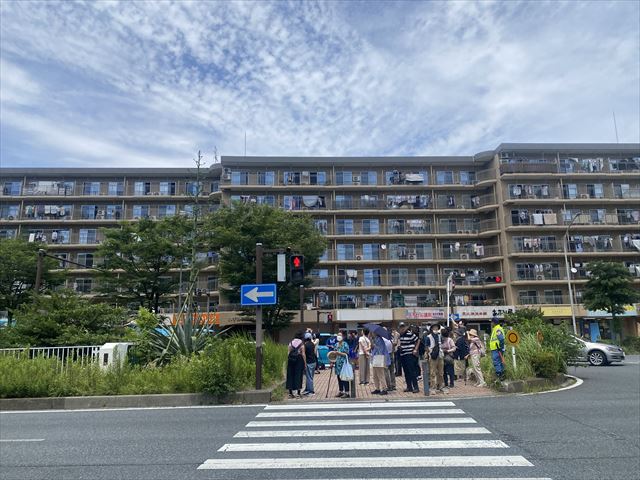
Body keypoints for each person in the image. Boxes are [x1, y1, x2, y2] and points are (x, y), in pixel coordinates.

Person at [398, 323, 420, 393]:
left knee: (412, 371)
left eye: (403, 327)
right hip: (403, 354)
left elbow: (418, 340)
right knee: (406, 371)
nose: (402, 329)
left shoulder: (409, 333)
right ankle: (409, 386)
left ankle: (416, 387)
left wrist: (415, 349)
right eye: (401, 327)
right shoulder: (400, 335)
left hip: (409, 354)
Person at [286, 332, 306, 398]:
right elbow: (303, 354)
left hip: (291, 360)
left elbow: (288, 353)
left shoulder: (291, 343)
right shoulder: (301, 343)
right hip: (299, 360)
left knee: (290, 375)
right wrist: (305, 363)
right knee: (298, 375)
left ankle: (290, 393)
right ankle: (298, 393)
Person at [426, 323, 445, 393]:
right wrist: (429, 354)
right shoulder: (428, 337)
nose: (436, 329)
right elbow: (427, 346)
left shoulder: (440, 336)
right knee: (432, 373)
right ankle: (433, 387)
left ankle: (440, 386)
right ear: (431, 329)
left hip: (440, 355)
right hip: (433, 356)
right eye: (434, 328)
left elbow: (442, 344)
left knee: (441, 372)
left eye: (437, 328)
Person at [333, 331, 351, 398]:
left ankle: (347, 392)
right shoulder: (336, 344)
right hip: (337, 364)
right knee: (339, 378)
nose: (339, 337)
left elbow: (346, 354)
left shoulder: (345, 344)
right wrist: (332, 360)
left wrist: (339, 353)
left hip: (343, 363)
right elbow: (334, 353)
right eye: (338, 335)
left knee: (344, 378)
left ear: (343, 337)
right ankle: (341, 391)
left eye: (340, 335)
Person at [382, 326, 396, 391]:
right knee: (392, 371)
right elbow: (393, 345)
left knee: (386, 371)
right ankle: (393, 385)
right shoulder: (390, 338)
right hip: (391, 354)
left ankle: (389, 386)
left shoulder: (382, 339)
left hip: (385, 355)